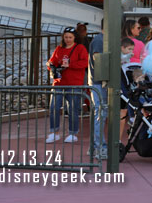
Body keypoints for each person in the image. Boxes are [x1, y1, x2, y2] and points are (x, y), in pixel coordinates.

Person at [46, 27, 89, 143]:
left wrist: (70, 64)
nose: (68, 40)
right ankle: (54, 132)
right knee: (54, 107)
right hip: (59, 82)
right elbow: (51, 61)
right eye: (66, 37)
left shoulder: (80, 48)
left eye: (70, 37)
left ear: (75, 37)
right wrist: (52, 67)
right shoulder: (59, 48)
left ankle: (72, 133)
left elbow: (85, 62)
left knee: (73, 109)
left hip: (74, 82)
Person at [88, 19, 107, 158]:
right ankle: (98, 146)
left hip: (100, 82)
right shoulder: (100, 41)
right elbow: (98, 60)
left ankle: (97, 146)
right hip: (100, 83)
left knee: (101, 114)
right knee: (100, 114)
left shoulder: (101, 40)